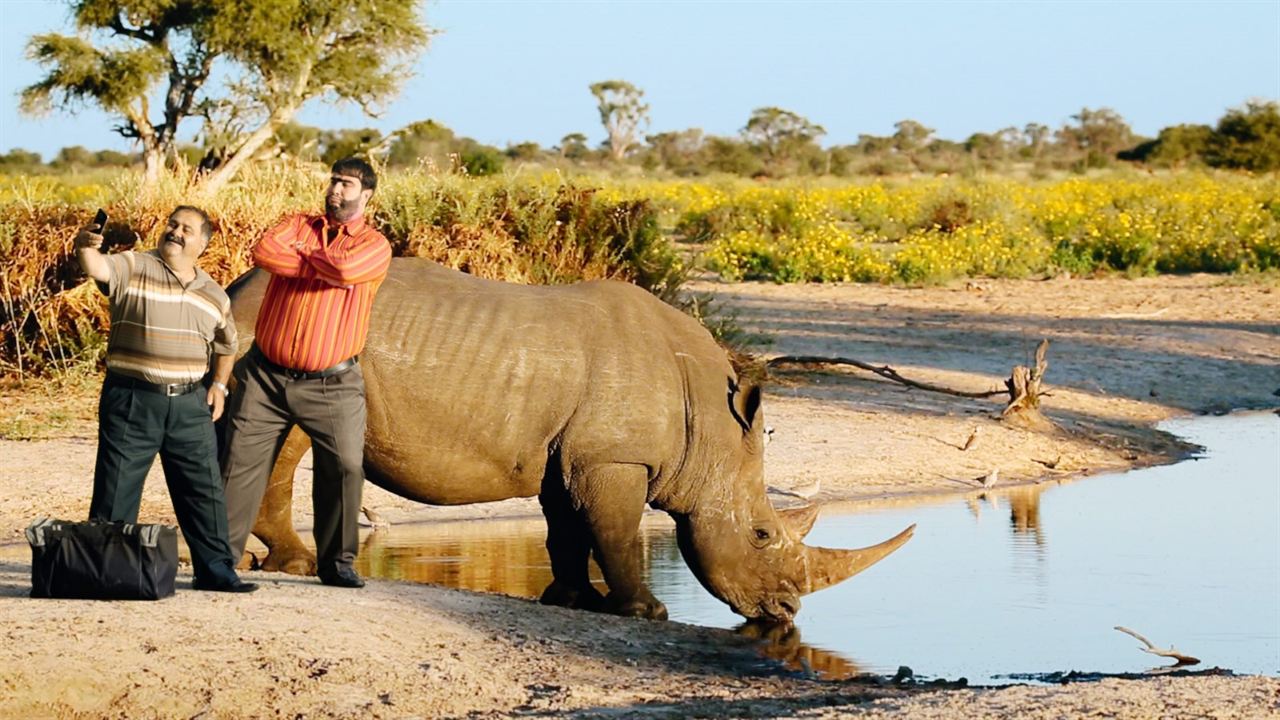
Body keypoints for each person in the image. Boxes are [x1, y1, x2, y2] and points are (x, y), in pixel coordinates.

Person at [221, 157, 392, 588]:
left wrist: (300, 258)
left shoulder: (375, 244)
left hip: (331, 382)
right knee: (239, 462)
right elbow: (264, 252)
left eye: (347, 184)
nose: (337, 190)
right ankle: (219, 557)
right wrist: (319, 260)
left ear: (365, 194)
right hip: (265, 375)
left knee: (345, 467)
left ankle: (337, 564)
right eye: (334, 181)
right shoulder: (298, 222)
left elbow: (347, 270)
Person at [75, 206, 257, 593]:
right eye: (172, 225)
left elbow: (228, 346)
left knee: (203, 491)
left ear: (202, 243)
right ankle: (107, 570)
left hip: (190, 406)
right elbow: (97, 266)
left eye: (186, 229)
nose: (175, 232)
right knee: (116, 490)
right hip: (132, 399)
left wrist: (219, 387)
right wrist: (84, 246)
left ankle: (215, 571)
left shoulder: (214, 295)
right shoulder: (133, 266)